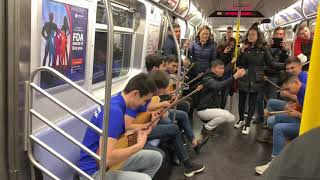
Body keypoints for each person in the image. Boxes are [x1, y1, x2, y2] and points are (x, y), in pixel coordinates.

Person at [79, 73, 163, 180]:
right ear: (135, 93)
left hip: (106, 163)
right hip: (94, 172)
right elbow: (106, 159)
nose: (143, 104)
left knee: (156, 158)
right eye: (145, 100)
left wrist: (140, 130)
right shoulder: (115, 112)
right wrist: (138, 146)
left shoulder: (118, 102)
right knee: (144, 179)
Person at [126, 70, 206, 177]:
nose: (143, 103)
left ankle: (191, 147)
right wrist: (152, 119)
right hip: (140, 130)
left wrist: (156, 113)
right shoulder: (132, 101)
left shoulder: (140, 97)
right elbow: (129, 127)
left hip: (145, 124)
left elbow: (144, 110)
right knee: (173, 128)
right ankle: (187, 162)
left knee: (179, 118)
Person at [234, 26, 284, 135]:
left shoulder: (264, 49)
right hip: (244, 76)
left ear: (258, 36)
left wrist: (286, 65)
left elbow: (272, 63)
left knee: (252, 102)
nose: (250, 36)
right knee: (241, 102)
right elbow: (239, 64)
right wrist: (241, 53)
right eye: (249, 34)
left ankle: (247, 124)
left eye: (253, 34)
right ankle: (241, 119)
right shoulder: (244, 48)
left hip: (257, 78)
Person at [255, 72, 306, 175]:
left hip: (308, 125)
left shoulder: (307, 92)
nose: (287, 92)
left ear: (296, 82)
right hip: (300, 118)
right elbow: (302, 105)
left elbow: (314, 119)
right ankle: (283, 145)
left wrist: (298, 114)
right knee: (273, 120)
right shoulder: (299, 92)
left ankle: (276, 163)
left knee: (279, 128)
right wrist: (295, 105)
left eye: (287, 89)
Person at [197, 60, 246, 137]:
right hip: (203, 110)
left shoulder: (216, 77)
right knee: (225, 115)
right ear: (213, 69)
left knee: (231, 118)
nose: (222, 71)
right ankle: (207, 128)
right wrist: (235, 76)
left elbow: (225, 72)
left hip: (210, 109)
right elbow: (218, 86)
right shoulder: (207, 79)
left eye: (222, 68)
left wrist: (232, 64)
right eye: (219, 68)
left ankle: (208, 123)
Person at [256, 27, 290, 124]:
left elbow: (285, 63)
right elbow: (267, 60)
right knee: (259, 97)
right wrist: (269, 47)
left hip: (275, 76)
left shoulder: (285, 49)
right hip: (264, 74)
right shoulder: (266, 47)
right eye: (277, 34)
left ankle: (269, 121)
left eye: (281, 34)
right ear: (273, 35)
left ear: (283, 36)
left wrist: (284, 51)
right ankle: (260, 117)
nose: (278, 36)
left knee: (272, 98)